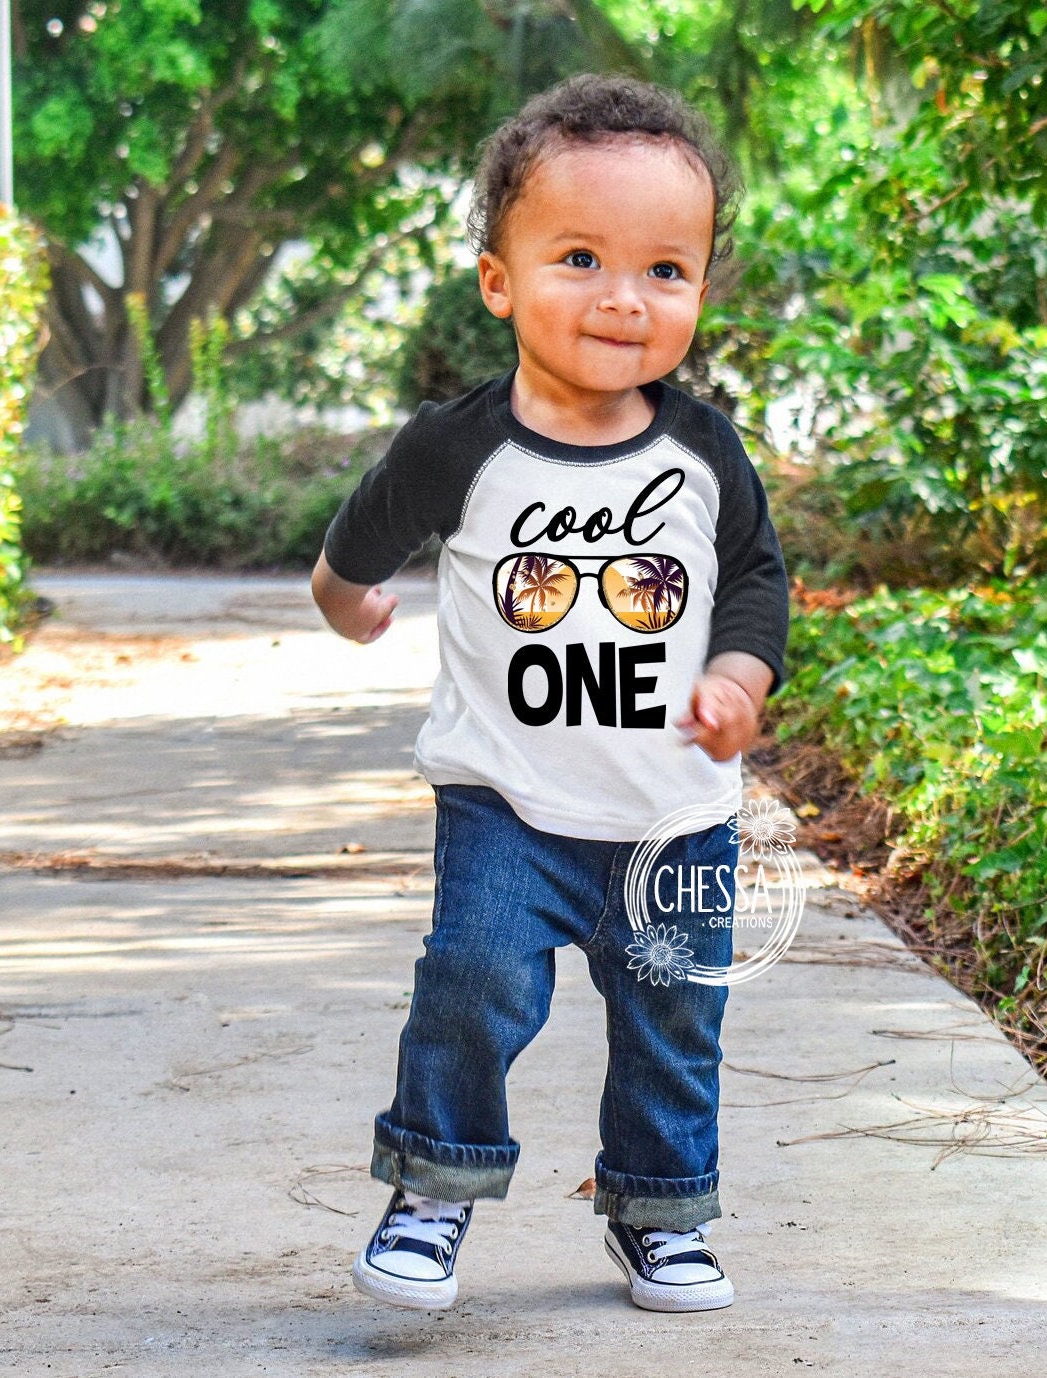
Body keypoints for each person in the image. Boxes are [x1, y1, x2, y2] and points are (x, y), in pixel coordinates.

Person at [312, 72, 789, 1314]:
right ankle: (433, 1189)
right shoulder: (458, 448)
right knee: (468, 988)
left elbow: (751, 579)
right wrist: (346, 601)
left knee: (675, 1028)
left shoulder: (702, 452)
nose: (623, 298)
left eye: (665, 270)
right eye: (579, 257)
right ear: (498, 280)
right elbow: (353, 544)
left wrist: (738, 674)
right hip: (506, 809)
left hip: (673, 816)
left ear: (697, 288)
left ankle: (660, 1212)